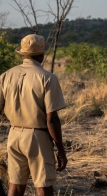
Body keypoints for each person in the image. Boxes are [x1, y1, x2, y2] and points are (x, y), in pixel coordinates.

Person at [0, 34, 67, 196]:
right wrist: (60, 150)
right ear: (41, 54)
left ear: (22, 53)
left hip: (14, 135)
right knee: (43, 187)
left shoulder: (6, 76)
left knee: (15, 186)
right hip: (38, 136)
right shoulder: (47, 78)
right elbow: (51, 119)